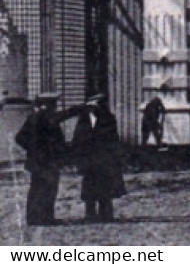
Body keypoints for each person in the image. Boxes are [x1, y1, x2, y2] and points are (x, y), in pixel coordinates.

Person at [70, 94, 125, 222]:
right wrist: (77, 158)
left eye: (100, 104)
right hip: (88, 160)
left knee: (105, 188)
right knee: (89, 188)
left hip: (104, 160)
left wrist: (116, 158)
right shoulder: (83, 119)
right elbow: (77, 139)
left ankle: (106, 214)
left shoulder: (108, 119)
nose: (97, 107)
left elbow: (113, 140)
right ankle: (90, 214)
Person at [13, 94, 65, 225]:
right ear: (47, 106)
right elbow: (20, 138)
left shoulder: (36, 118)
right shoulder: (43, 119)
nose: (55, 107)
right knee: (46, 188)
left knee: (38, 188)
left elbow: (20, 138)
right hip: (45, 161)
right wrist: (37, 149)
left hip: (39, 160)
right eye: (54, 104)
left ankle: (36, 217)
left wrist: (32, 150)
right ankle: (43, 218)